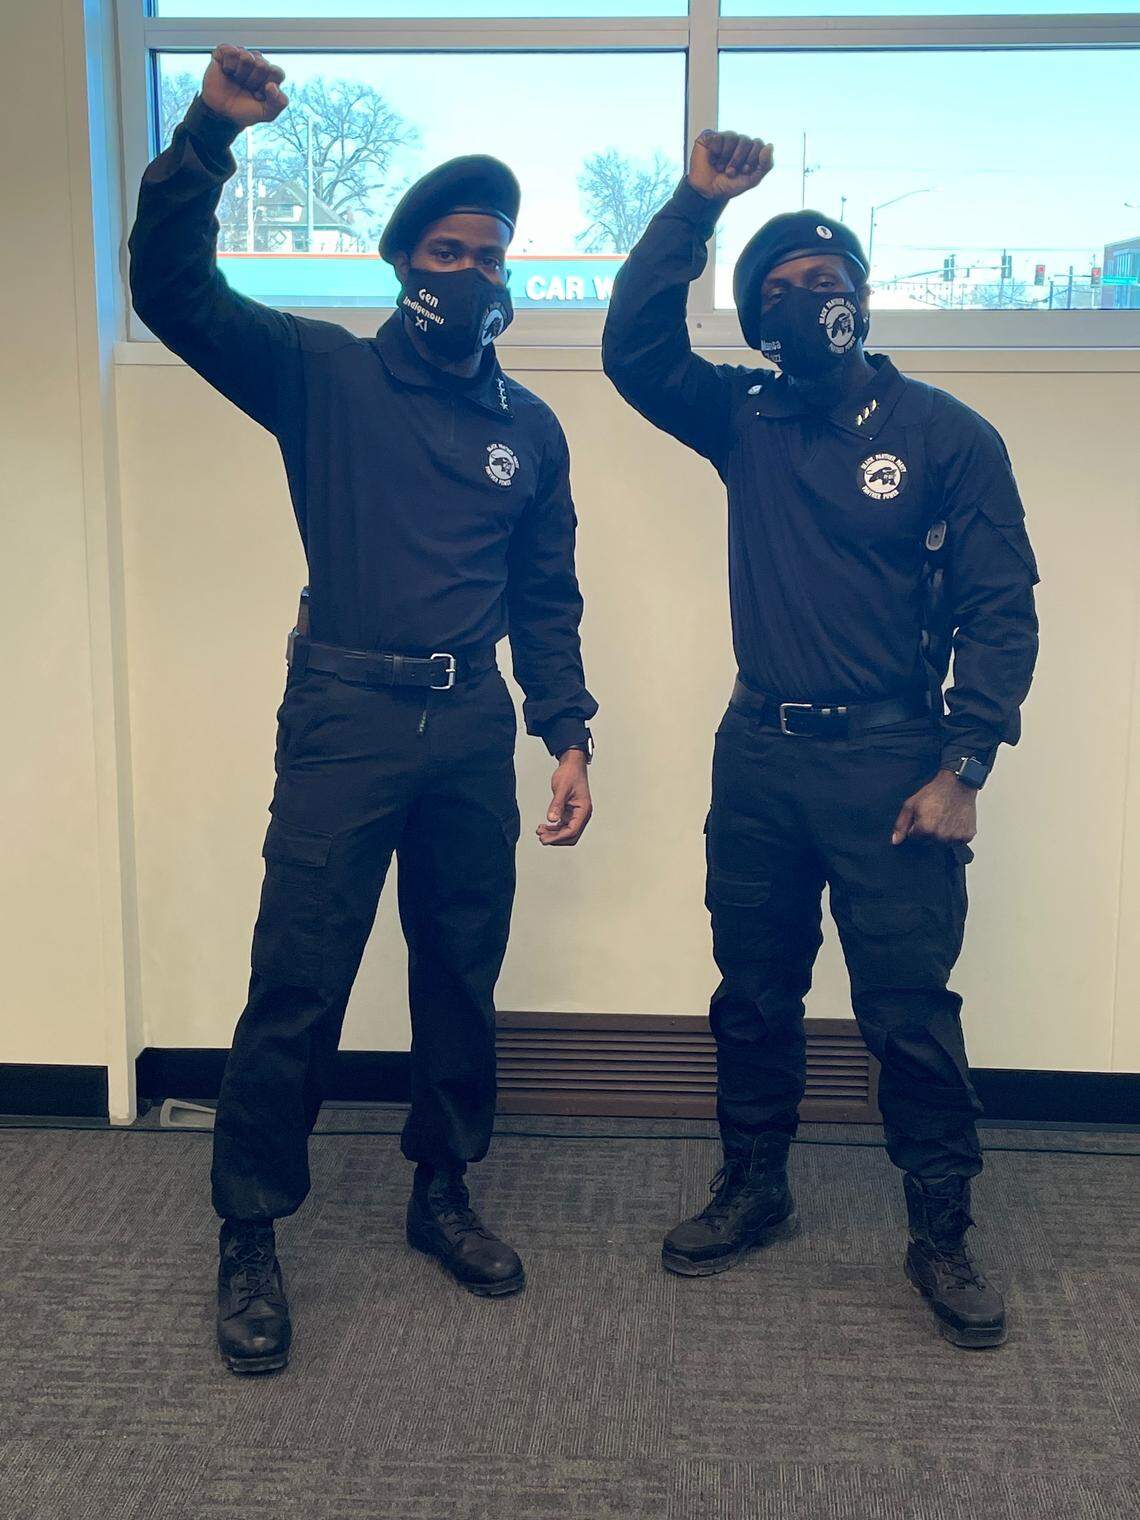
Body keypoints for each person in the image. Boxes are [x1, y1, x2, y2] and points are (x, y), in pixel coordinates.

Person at [130, 45, 597, 1374]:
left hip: (470, 724)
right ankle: (249, 1229)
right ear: (404, 265)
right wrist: (208, 136)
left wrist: (566, 730)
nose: (475, 272)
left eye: (492, 254)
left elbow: (545, 594)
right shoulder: (322, 375)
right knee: (300, 974)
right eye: (450, 251)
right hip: (344, 711)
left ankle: (442, 1187)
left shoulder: (530, 428)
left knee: (459, 968)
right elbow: (171, 290)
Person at [602, 129, 1038, 1349]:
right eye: (783, 289)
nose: (810, 297)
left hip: (894, 763)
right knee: (753, 991)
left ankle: (941, 1227)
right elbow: (633, 350)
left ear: (862, 295)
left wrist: (965, 763)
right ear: (760, 326)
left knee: (907, 1008)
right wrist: (694, 206)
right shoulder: (744, 419)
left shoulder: (947, 434)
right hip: (758, 755)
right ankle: (756, 1185)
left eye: (827, 278)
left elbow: (1001, 608)